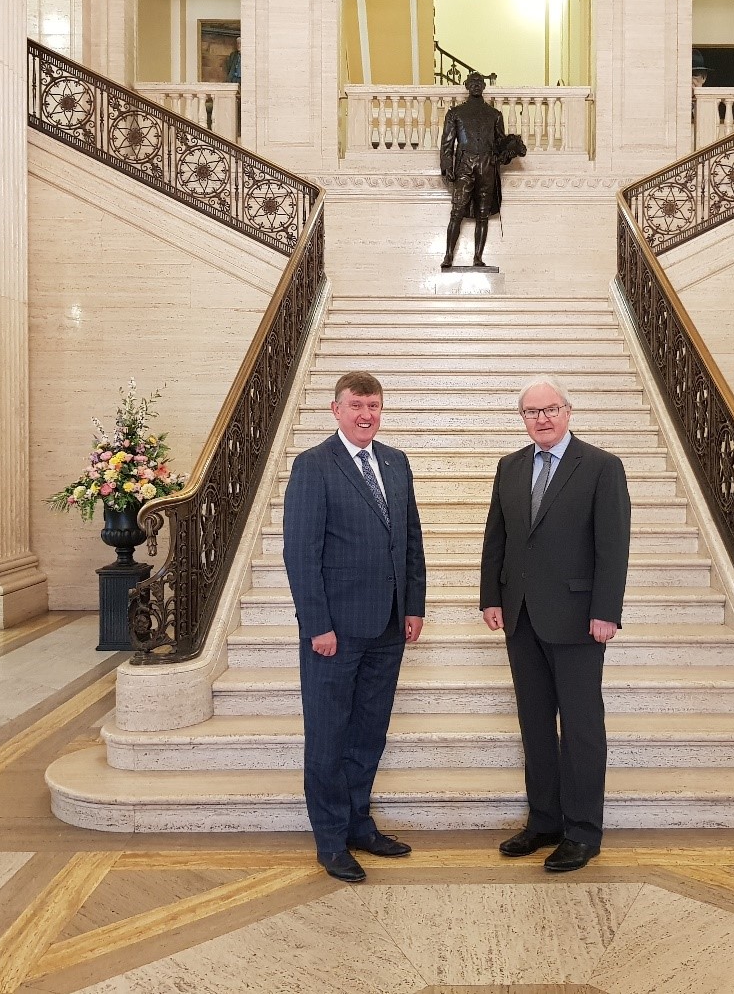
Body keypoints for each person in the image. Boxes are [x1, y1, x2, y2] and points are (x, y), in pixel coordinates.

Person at [479, 376, 632, 873]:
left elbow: (613, 547)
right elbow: (496, 538)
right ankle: (544, 820)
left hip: (579, 620)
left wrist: (606, 611)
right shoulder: (510, 467)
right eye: (531, 411)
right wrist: (491, 599)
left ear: (568, 411)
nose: (542, 418)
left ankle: (583, 831)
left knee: (582, 728)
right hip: (520, 617)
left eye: (551, 409)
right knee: (535, 725)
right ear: (522, 418)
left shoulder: (602, 468)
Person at [283, 371, 426, 883]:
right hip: (335, 634)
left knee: (369, 732)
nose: (366, 414)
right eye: (357, 404)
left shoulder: (396, 461)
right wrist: (316, 624)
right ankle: (330, 838)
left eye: (374, 405)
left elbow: (409, 540)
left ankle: (359, 823)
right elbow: (301, 553)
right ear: (335, 409)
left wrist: (414, 606)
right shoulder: (313, 466)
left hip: (388, 626)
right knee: (327, 737)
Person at [439, 71, 518, 269]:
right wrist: (447, 165)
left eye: (479, 82)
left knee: (483, 214)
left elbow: (500, 144)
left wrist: (510, 148)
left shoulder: (495, 115)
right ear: (466, 85)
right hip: (465, 163)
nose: (476, 85)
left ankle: (477, 257)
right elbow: (447, 143)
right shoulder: (455, 113)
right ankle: (448, 255)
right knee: (456, 211)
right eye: (472, 82)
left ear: (484, 87)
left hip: (487, 164)